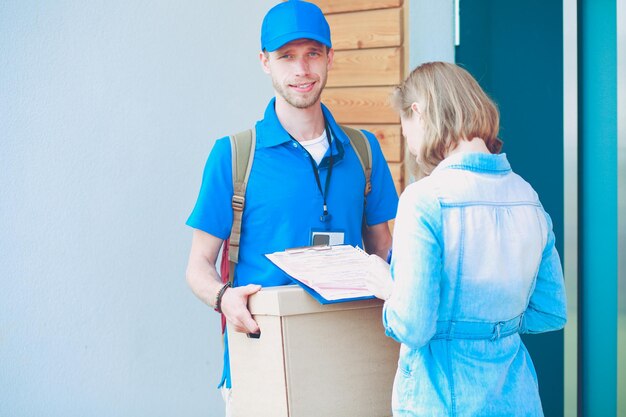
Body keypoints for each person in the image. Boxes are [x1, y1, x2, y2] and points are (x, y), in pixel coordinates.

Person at [185, 0, 399, 412]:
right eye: (287, 57)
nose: (301, 71)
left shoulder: (364, 150)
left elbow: (382, 251)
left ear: (330, 57)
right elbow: (197, 267)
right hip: (261, 361)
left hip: (352, 358)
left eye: (312, 54)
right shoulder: (233, 155)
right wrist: (223, 298)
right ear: (265, 62)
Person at [365, 62, 567, 416]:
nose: (410, 145)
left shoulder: (425, 199)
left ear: (419, 113)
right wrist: (493, 325)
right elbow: (550, 311)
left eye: (405, 130)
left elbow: (412, 326)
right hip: (518, 399)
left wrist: (387, 286)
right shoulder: (528, 197)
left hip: (441, 400)